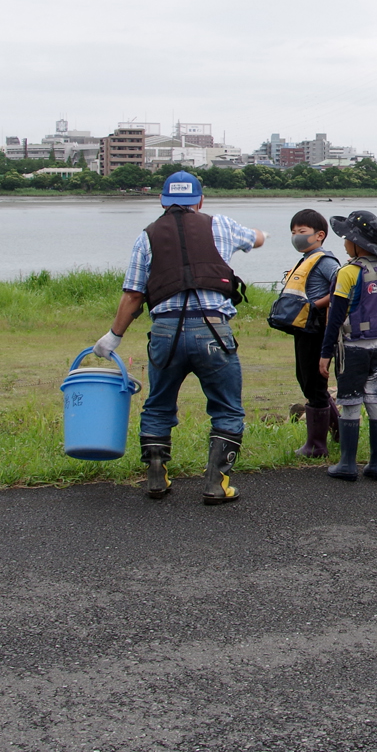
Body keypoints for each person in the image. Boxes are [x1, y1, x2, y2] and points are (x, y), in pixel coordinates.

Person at [95, 171, 265, 503]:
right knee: (227, 408)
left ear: (162, 201)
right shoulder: (221, 225)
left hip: (165, 332)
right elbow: (255, 239)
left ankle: (157, 479)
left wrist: (113, 337)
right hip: (212, 331)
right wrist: (263, 234)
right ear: (200, 201)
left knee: (157, 406)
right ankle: (217, 484)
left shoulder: (146, 236)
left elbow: (132, 295)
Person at [320, 210, 377, 482]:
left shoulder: (348, 273)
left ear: (356, 243)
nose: (343, 242)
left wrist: (325, 354)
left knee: (350, 403)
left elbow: (336, 317)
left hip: (352, 348)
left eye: (345, 238)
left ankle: (347, 464)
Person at [272, 209, 339, 458]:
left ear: (319, 235)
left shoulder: (325, 261)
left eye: (302, 232)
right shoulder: (306, 258)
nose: (296, 237)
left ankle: (317, 445)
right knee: (306, 380)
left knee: (314, 383)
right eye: (293, 232)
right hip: (303, 329)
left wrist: (314, 306)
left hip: (316, 329)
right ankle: (339, 430)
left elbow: (343, 288)